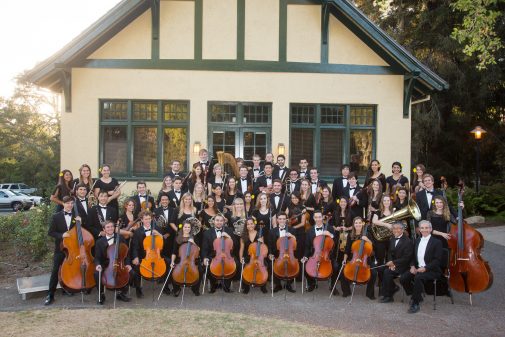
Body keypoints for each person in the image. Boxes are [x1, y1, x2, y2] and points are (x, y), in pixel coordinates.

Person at [45, 196, 83, 305]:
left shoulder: (76, 216)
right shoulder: (56, 217)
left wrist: (81, 222)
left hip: (72, 249)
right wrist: (62, 235)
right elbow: (51, 232)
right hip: (60, 248)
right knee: (55, 270)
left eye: (71, 203)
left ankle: (65, 289)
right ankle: (50, 294)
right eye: (67, 203)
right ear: (63, 204)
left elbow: (80, 232)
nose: (70, 205)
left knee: (68, 270)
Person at [400, 220, 443, 313]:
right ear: (419, 229)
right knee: (403, 278)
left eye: (427, 228)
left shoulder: (437, 242)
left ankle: (415, 303)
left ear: (430, 229)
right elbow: (412, 256)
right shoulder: (417, 240)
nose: (424, 230)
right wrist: (412, 266)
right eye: (422, 228)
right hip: (417, 268)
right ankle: (416, 295)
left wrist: (425, 268)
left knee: (418, 278)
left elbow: (437, 260)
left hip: (432, 270)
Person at [94, 220, 133, 304]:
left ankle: (121, 293)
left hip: (119, 263)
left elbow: (126, 253)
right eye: (108, 227)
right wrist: (98, 265)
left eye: (111, 226)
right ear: (104, 229)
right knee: (97, 273)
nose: (110, 228)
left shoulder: (121, 238)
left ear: (114, 228)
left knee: (131, 273)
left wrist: (128, 264)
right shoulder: (99, 242)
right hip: (106, 264)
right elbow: (97, 257)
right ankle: (101, 294)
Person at [131, 211, 167, 298]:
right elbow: (134, 247)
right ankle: (138, 290)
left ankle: (166, 287)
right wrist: (135, 257)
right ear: (142, 220)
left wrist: (159, 234)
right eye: (146, 219)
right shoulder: (137, 232)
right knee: (136, 268)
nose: (148, 221)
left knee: (168, 264)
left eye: (149, 219)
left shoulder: (157, 228)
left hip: (156, 255)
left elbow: (164, 243)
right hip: (143, 256)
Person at [341, 216, 377, 299]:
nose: (358, 224)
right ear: (353, 224)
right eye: (356, 223)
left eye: (359, 223)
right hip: (354, 259)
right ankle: (346, 291)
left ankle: (370, 294)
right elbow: (347, 249)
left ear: (362, 224)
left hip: (365, 259)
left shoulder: (367, 234)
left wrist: (367, 240)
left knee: (374, 273)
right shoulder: (350, 235)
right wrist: (344, 259)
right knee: (343, 271)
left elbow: (374, 246)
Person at [379, 222, 414, 303]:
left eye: (398, 228)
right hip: (394, 264)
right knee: (380, 270)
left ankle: (388, 296)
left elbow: (406, 258)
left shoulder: (408, 241)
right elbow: (389, 253)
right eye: (394, 228)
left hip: (404, 265)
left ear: (402, 230)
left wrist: (393, 263)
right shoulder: (392, 239)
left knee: (387, 272)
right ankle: (393, 287)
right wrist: (390, 262)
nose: (396, 230)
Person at [301, 210, 335, 292]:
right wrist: (305, 256)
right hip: (314, 254)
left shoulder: (329, 228)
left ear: (322, 217)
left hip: (327, 255)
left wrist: (330, 235)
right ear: (313, 218)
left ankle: (333, 286)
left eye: (319, 217)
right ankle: (312, 283)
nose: (318, 219)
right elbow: (307, 246)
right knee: (305, 264)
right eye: (316, 217)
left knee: (335, 266)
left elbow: (335, 243)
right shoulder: (309, 230)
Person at [201, 214, 236, 293]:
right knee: (209, 264)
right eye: (217, 220)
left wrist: (229, 237)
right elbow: (204, 248)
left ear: (224, 222)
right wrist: (204, 257)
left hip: (227, 255)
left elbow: (236, 244)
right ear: (213, 221)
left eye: (221, 220)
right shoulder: (207, 233)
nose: (219, 222)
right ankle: (213, 285)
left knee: (235, 264)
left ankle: (226, 285)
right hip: (213, 256)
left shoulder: (229, 230)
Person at [170, 220, 202, 297]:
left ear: (191, 228)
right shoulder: (178, 238)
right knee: (172, 269)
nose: (187, 229)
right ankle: (176, 289)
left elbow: (199, 249)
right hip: (181, 259)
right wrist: (172, 262)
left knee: (200, 270)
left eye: (188, 227)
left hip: (192, 259)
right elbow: (174, 252)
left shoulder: (194, 237)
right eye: (185, 227)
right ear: (182, 228)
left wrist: (193, 242)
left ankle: (195, 288)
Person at [268, 213, 297, 293]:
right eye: (280, 219)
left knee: (293, 264)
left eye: (284, 219)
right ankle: (278, 284)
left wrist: (292, 236)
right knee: (271, 264)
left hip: (289, 253)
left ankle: (288, 284)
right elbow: (270, 245)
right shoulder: (272, 231)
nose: (282, 220)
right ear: (277, 220)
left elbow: (296, 244)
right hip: (277, 254)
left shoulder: (292, 230)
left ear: (286, 220)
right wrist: (270, 254)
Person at [239, 217, 268, 294]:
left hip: (259, 256)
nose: (250, 225)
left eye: (251, 223)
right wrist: (240, 258)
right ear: (246, 226)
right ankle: (246, 286)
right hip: (249, 256)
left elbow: (263, 248)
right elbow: (241, 249)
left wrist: (262, 242)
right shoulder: (243, 236)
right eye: (248, 224)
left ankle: (263, 285)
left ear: (254, 224)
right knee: (245, 266)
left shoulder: (260, 234)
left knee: (265, 265)